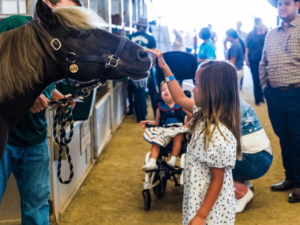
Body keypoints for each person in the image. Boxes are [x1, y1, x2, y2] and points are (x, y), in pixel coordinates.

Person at [0, 0, 79, 224]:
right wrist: (26, 96)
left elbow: (42, 83)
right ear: (45, 6)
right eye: (65, 11)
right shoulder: (16, 25)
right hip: (5, 137)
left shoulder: (54, 45)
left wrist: (58, 97)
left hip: (35, 138)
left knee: (37, 206)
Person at [147, 47, 240, 225]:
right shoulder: (202, 112)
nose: (192, 89)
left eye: (197, 85)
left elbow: (217, 179)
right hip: (198, 194)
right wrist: (164, 67)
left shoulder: (216, 134)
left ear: (213, 92)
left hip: (209, 205)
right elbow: (180, 98)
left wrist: (201, 216)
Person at [260, 0, 300, 203]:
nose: (282, 7)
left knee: (298, 138)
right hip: (274, 94)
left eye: (287, 3)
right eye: (279, 4)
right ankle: (290, 178)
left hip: (296, 92)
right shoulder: (271, 33)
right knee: (284, 138)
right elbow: (263, 61)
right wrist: (265, 88)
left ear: (297, 5)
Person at [139, 81, 191, 170]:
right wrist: (148, 122)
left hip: (179, 130)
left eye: (169, 90)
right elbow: (156, 122)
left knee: (178, 135)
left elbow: (192, 116)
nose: (165, 92)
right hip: (166, 131)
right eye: (163, 90)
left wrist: (188, 123)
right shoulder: (159, 109)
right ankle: (152, 162)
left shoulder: (182, 106)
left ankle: (173, 159)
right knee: (156, 138)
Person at [233, 99, 273, 213]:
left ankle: (241, 193)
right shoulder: (231, 99)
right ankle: (242, 182)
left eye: (198, 85)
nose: (193, 89)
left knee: (200, 167)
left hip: (255, 160)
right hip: (260, 156)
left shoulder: (221, 106)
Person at [127, 18, 157, 121]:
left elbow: (126, 55)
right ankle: (157, 117)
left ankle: (141, 117)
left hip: (135, 69)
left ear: (137, 26)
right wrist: (153, 64)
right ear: (146, 27)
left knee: (139, 93)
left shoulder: (130, 37)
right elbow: (154, 54)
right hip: (148, 68)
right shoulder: (151, 38)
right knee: (153, 92)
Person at [245, 18, 268, 105]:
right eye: (258, 23)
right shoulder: (251, 34)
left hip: (265, 59)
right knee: (255, 78)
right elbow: (247, 47)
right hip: (253, 59)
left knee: (264, 78)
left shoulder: (266, 33)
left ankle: (263, 96)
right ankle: (257, 99)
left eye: (260, 23)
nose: (259, 24)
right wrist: (246, 58)